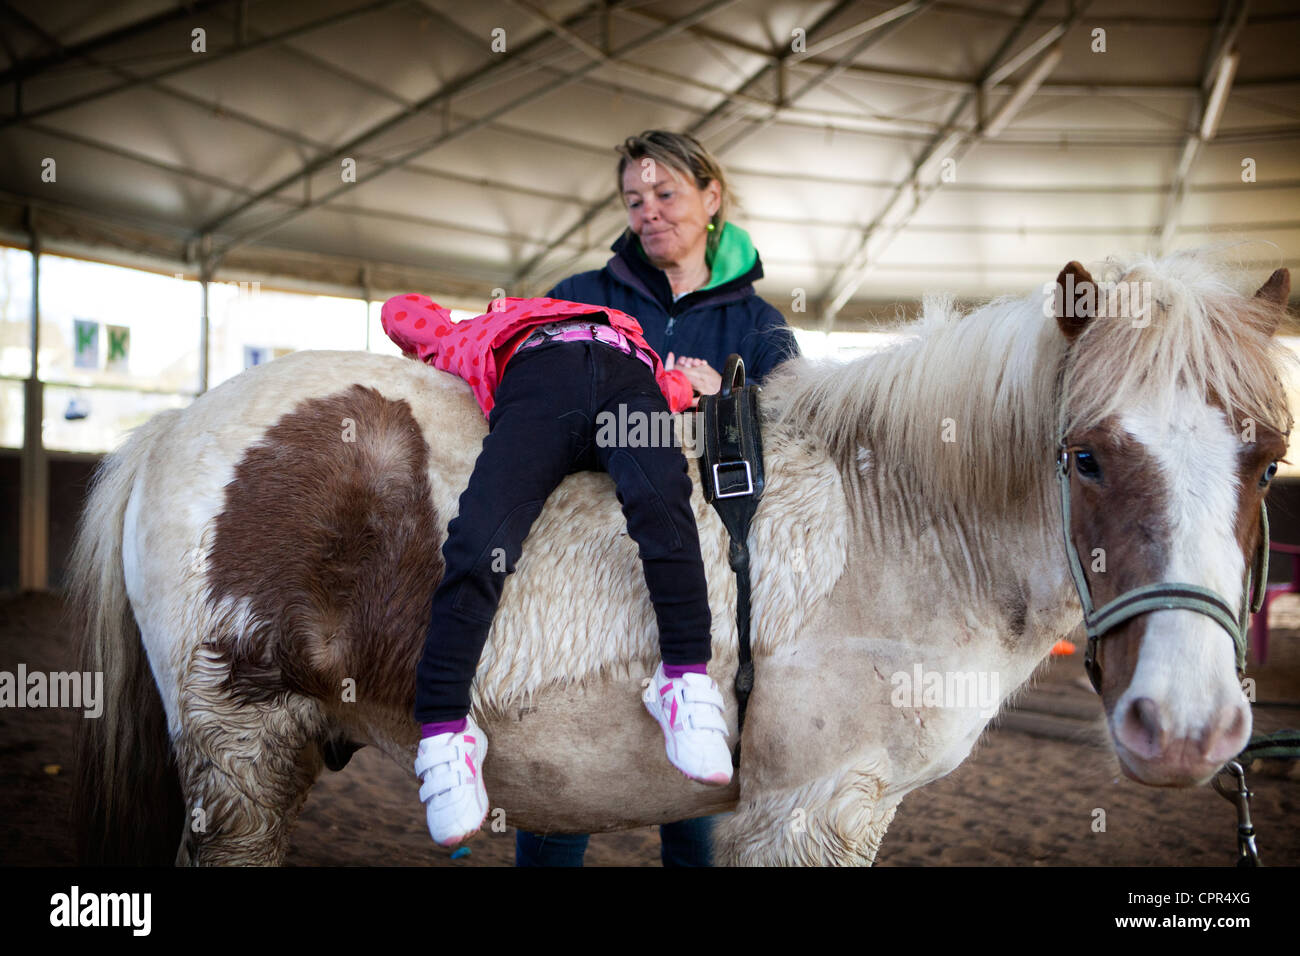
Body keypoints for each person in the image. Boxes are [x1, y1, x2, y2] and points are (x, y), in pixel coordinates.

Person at [515, 129, 801, 867]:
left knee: (696, 807)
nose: (649, 212)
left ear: (712, 199)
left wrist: (726, 397)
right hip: (576, 579)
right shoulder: (576, 297)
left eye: (666, 194)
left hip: (708, 584)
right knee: (559, 772)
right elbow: (519, 396)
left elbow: (799, 436)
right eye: (634, 200)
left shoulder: (759, 324)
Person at [381, 292, 734, 847]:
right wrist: (442, 336)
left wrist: (691, 386)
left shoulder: (625, 331)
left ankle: (685, 679)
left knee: (667, 507)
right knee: (481, 535)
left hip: (628, 375)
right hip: (540, 373)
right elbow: (401, 311)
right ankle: (445, 728)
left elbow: (676, 390)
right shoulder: (486, 329)